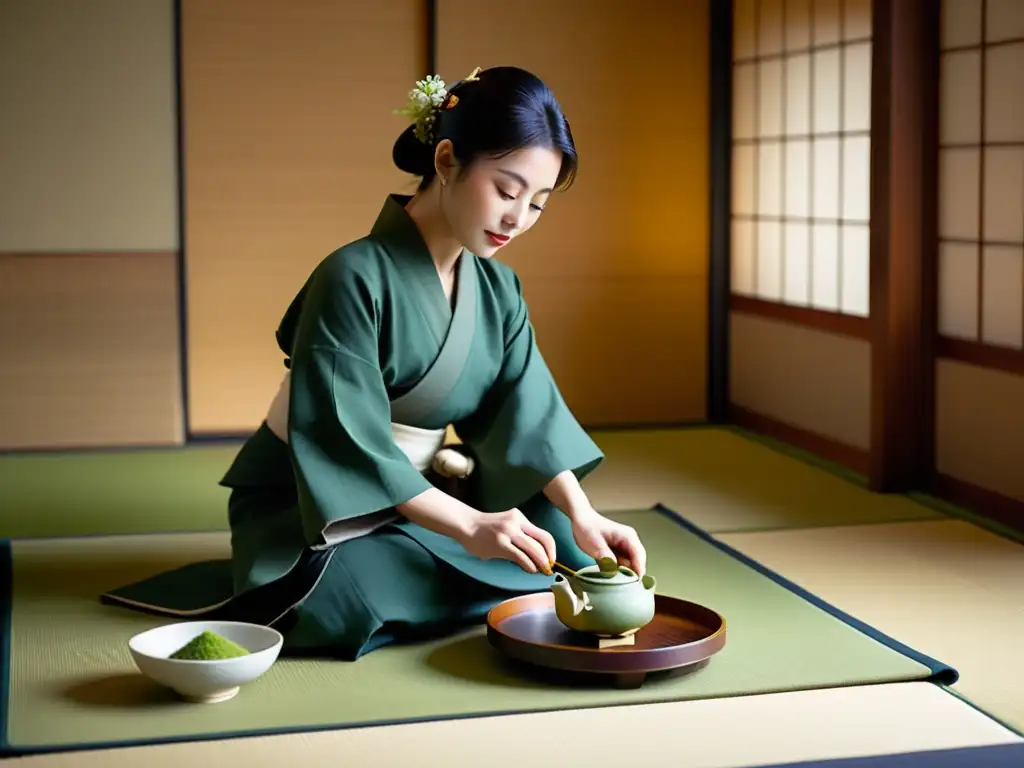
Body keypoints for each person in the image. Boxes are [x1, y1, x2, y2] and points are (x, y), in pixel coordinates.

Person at [103, 66, 647, 660]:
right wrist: (468, 527)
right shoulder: (351, 277)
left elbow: (525, 412)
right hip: (317, 502)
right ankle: (426, 573)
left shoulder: (500, 288)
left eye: (538, 204)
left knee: (562, 539)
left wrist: (585, 513)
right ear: (445, 161)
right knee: (346, 593)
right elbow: (346, 443)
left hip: (428, 492)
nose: (518, 219)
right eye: (508, 191)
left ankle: (461, 561)